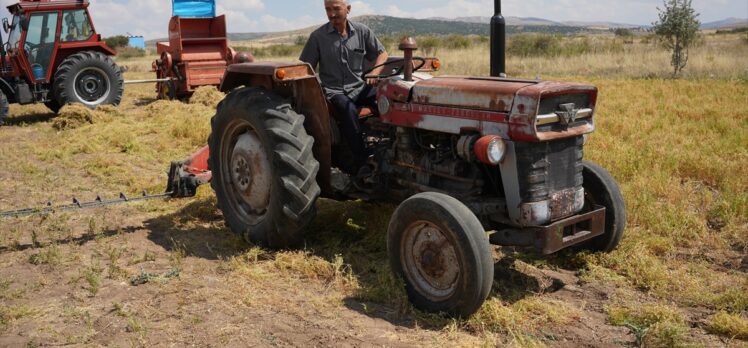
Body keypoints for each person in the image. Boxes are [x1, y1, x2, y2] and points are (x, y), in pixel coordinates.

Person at [299, 0, 388, 176]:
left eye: (336, 9)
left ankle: (389, 148)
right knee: (348, 110)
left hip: (359, 86)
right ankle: (361, 162)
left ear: (348, 9)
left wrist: (375, 72)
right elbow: (305, 67)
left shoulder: (362, 31)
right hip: (335, 91)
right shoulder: (318, 37)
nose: (331, 14)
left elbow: (382, 53)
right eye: (327, 9)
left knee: (387, 99)